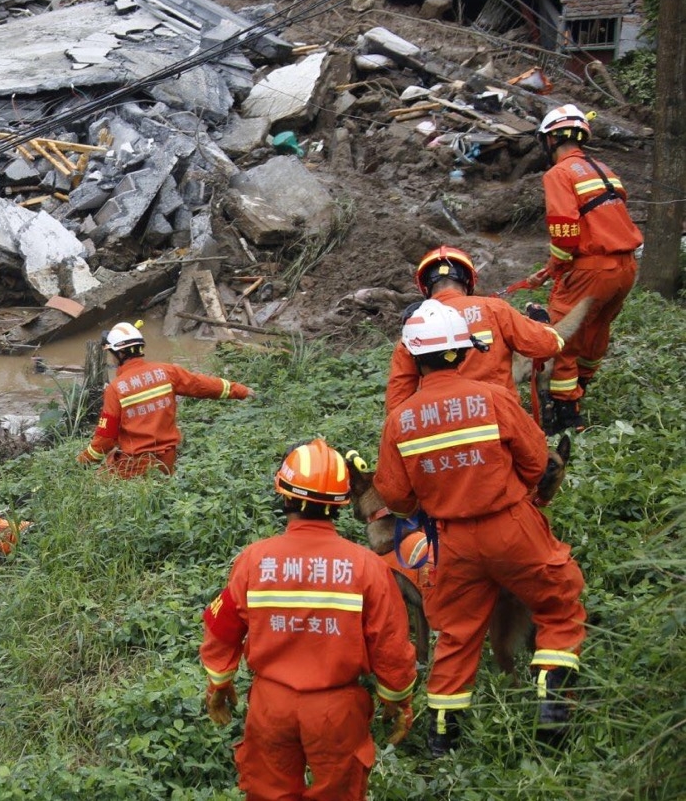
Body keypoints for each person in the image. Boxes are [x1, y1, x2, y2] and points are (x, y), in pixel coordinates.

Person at [374, 299, 586, 755]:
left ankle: (442, 744)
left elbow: (395, 497)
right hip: (511, 526)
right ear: (462, 352)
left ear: (413, 356)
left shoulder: (400, 420)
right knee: (558, 606)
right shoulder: (494, 398)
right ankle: (553, 716)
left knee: (456, 636)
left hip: (451, 541)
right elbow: (535, 463)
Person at [200, 438, 417, 800]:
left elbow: (222, 630)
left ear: (283, 496)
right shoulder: (367, 566)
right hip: (337, 712)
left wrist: (219, 684)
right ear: (342, 503)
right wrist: (397, 700)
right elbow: (391, 645)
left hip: (271, 707)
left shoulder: (255, 560)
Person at [526, 104, 642, 434]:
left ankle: (565, 414)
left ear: (549, 141)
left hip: (590, 270)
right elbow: (604, 223)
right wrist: (550, 270)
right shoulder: (604, 169)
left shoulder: (559, 174)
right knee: (596, 333)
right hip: (624, 270)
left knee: (561, 338)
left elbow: (566, 229)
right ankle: (580, 391)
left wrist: (557, 267)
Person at [384, 245, 563, 411]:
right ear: (469, 280)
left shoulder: (415, 327)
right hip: (500, 418)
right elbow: (547, 346)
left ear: (424, 286)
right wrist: (541, 321)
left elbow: (397, 402)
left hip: (445, 422)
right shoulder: (495, 309)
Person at [77, 321, 253, 478]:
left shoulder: (116, 389)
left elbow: (105, 439)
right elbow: (203, 385)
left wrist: (82, 461)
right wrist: (241, 390)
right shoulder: (166, 371)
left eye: (111, 353)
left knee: (95, 484)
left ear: (120, 353)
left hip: (135, 466)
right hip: (167, 461)